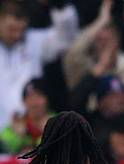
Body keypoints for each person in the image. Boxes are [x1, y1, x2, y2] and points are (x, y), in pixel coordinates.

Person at [0, 0, 78, 129]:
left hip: (31, 131)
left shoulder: (34, 41)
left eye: (21, 30)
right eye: (12, 29)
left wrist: (60, 6)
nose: (17, 35)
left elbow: (66, 39)